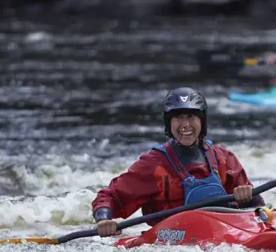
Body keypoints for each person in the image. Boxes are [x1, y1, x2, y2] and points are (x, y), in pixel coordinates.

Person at [93, 87, 263, 237]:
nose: (185, 125)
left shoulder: (223, 159)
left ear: (201, 122)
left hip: (224, 234)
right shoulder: (154, 165)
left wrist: (246, 196)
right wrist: (104, 220)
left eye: (191, 117)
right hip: (172, 241)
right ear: (169, 123)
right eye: (178, 118)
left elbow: (256, 207)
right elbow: (110, 196)